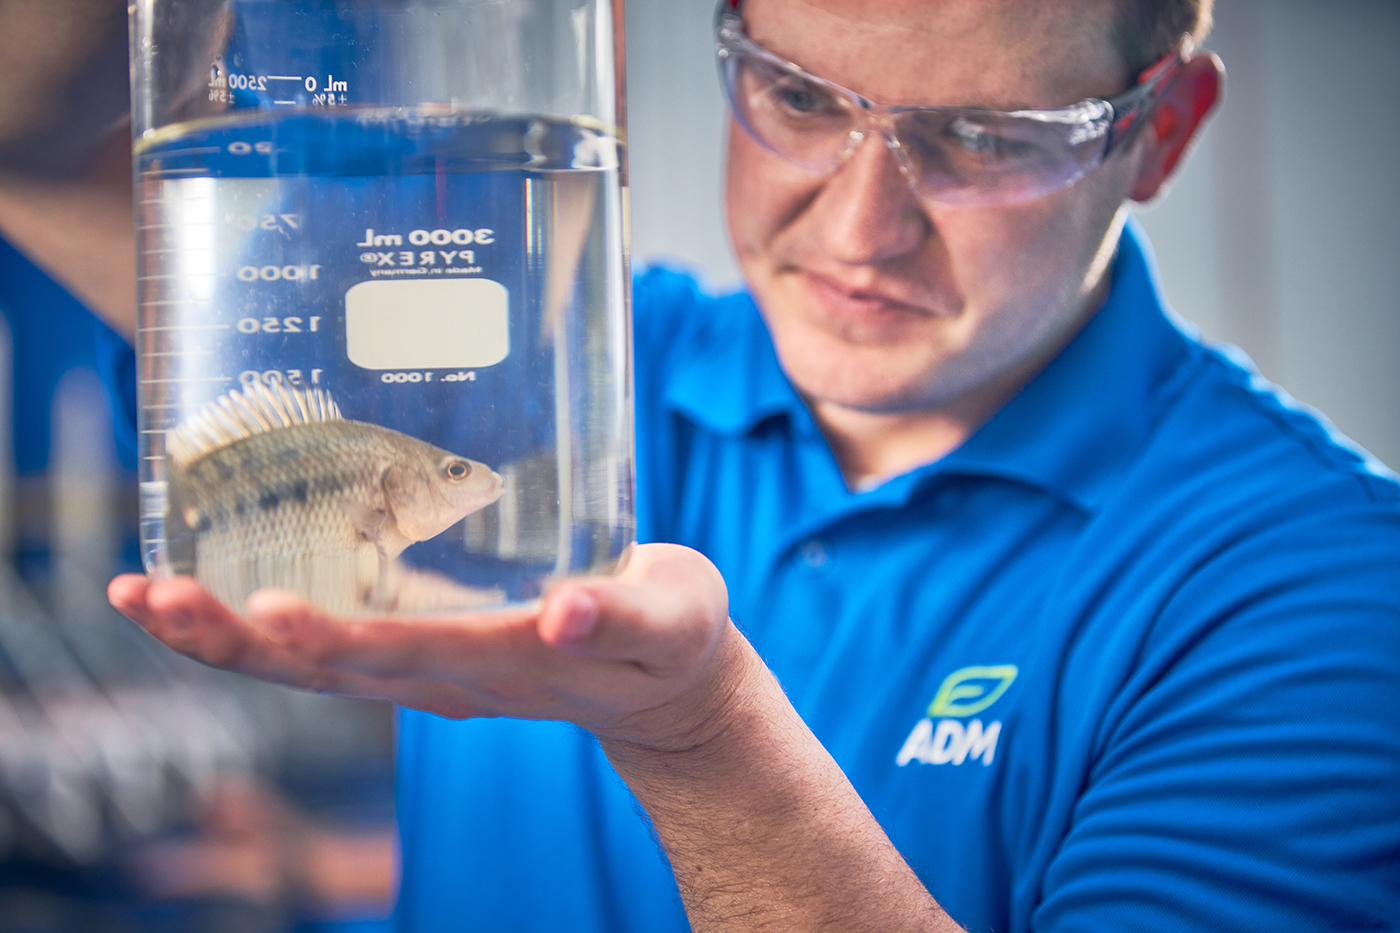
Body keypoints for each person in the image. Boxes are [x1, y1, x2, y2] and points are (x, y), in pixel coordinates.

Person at [6, 0, 1399, 930]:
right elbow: (68, 164)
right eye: (795, 95)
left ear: (1161, 131)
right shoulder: (573, 370)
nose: (862, 226)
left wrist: (702, 734)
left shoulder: (1324, 593)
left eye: (982, 139)